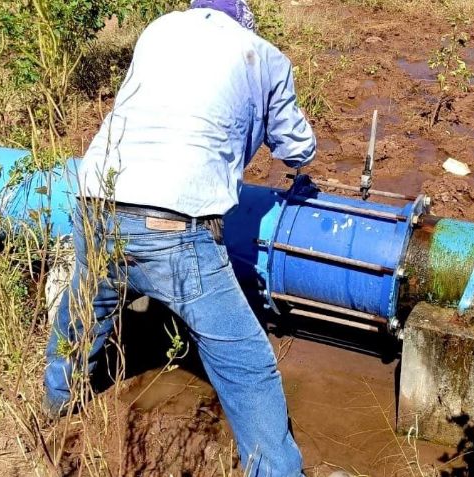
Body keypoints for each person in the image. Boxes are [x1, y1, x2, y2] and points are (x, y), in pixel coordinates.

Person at [42, 0, 316, 475]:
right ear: (243, 18)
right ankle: (277, 470)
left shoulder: (160, 29)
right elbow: (296, 146)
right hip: (174, 223)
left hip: (95, 198)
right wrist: (299, 155)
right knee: (244, 360)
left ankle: (56, 401)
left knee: (86, 308)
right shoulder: (262, 54)